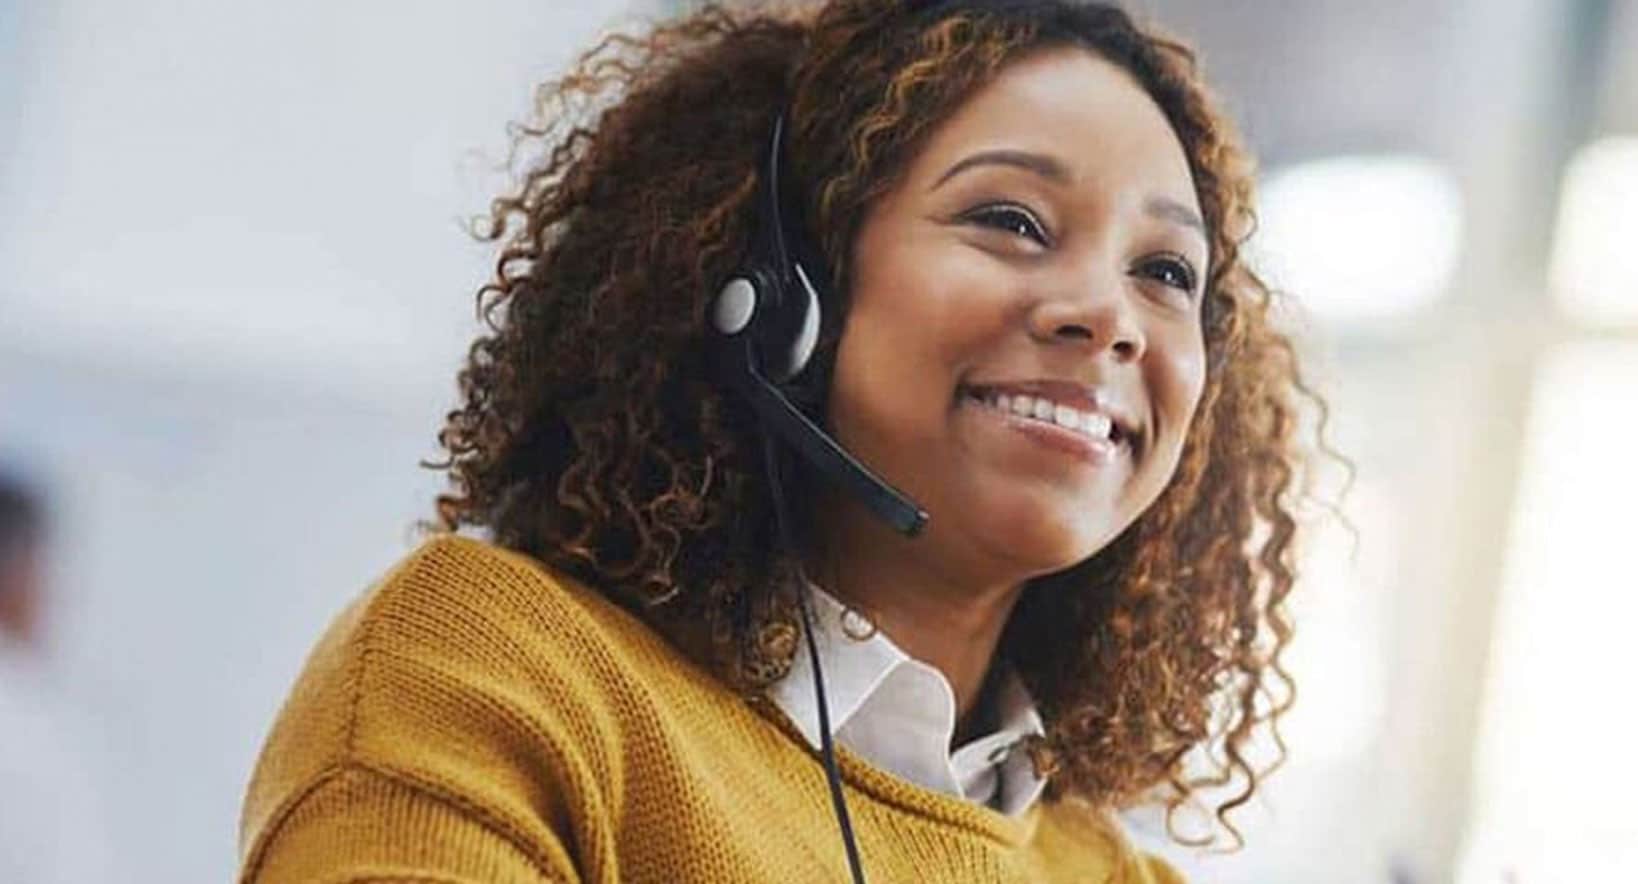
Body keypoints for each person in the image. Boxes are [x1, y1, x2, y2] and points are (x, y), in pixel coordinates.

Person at [239, 1, 1315, 881]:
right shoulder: (497, 667)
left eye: (1166, 273)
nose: (1110, 315)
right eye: (1011, 220)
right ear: (776, 290)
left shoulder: (1116, 873)